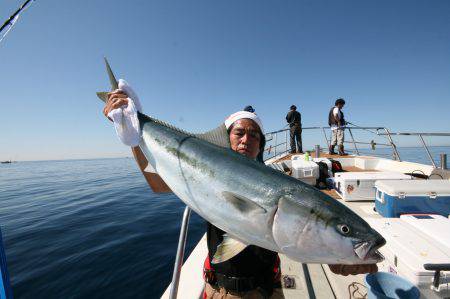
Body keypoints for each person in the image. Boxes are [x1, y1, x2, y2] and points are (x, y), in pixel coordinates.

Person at [103, 91, 377, 298]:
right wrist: (133, 136)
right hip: (224, 292)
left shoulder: (283, 183)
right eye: (240, 133)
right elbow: (158, 184)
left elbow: (298, 234)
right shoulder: (204, 171)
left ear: (261, 145)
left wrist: (339, 258)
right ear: (228, 137)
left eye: (255, 135)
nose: (247, 139)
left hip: (271, 288)